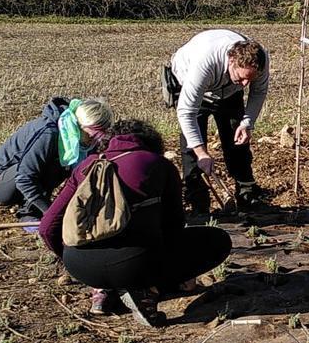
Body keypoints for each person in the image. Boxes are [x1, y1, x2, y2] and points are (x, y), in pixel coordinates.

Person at [39, 119, 232, 327]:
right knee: (217, 240)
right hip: (134, 263)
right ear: (152, 142)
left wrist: (70, 258)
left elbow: (47, 227)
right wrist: (180, 273)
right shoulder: (158, 165)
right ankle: (145, 290)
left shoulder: (86, 166)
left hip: (80, 266)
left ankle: (103, 289)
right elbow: (173, 227)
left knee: (110, 258)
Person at [166, 29, 270, 213]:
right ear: (231, 61)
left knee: (238, 141)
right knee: (192, 148)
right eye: (242, 78)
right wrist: (202, 153)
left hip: (228, 91)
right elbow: (186, 112)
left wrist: (247, 123)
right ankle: (198, 203)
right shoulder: (204, 64)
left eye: (250, 79)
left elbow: (259, 92)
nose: (246, 85)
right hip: (190, 84)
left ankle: (247, 194)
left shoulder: (260, 62)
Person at [0, 97, 113, 222]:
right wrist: (52, 213)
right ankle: (29, 212)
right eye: (93, 135)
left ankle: (35, 206)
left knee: (61, 165)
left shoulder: (82, 139)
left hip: (25, 177)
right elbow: (24, 178)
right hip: (1, 182)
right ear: (80, 125)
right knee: (55, 165)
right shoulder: (49, 133)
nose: (95, 140)